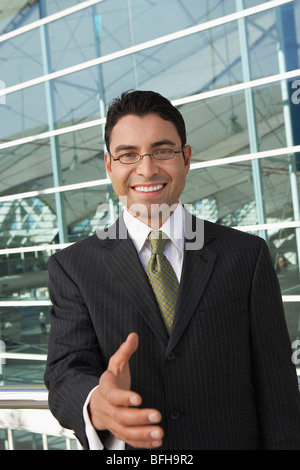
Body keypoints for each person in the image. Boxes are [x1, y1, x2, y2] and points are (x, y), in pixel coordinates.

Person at [44, 90, 300, 450]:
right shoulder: (73, 267)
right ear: (109, 166)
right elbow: (64, 371)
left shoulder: (246, 255)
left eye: (162, 150)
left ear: (186, 157)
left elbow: (278, 389)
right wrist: (97, 406)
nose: (146, 169)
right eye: (128, 154)